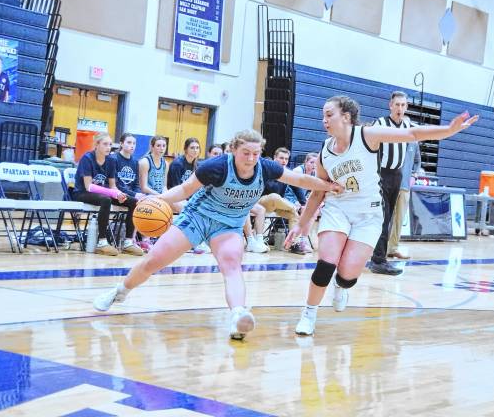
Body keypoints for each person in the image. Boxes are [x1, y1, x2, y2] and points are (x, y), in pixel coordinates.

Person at [92, 129, 343, 340]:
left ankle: (238, 316)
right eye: (246, 153)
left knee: (232, 265)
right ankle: (120, 291)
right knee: (154, 260)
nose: (251, 158)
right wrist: (156, 199)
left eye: (256, 154)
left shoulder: (265, 168)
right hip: (198, 218)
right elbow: (184, 190)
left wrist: (328, 186)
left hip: (230, 226)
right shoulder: (216, 167)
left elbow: (300, 180)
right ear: (234, 149)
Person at [286, 95, 477, 335]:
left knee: (348, 272)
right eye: (323, 115)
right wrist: (302, 224)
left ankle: (341, 285)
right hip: (338, 209)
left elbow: (412, 135)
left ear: (346, 117)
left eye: (329, 114)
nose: (324, 120)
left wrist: (448, 130)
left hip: (368, 213)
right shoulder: (325, 150)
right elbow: (318, 192)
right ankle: (309, 313)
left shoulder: (367, 135)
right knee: (326, 262)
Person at [72, 133, 143, 256]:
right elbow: (89, 186)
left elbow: (112, 185)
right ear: (97, 145)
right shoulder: (87, 158)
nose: (108, 147)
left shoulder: (110, 160)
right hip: (82, 193)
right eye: (105, 144)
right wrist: (112, 193)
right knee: (106, 200)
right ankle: (102, 242)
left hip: (102, 193)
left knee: (133, 201)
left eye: (110, 144)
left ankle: (127, 242)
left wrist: (119, 194)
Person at [370, 91, 415, 275]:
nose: (400, 108)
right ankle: (378, 260)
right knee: (383, 217)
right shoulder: (380, 123)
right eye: (397, 105)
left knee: (388, 218)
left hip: (397, 175)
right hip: (381, 174)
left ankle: (380, 257)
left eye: (403, 105)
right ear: (390, 105)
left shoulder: (407, 124)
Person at [258, 147, 311, 254]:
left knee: (293, 214)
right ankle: (291, 207)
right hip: (261, 203)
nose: (284, 161)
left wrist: (304, 204)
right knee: (274, 196)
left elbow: (297, 188)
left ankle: (294, 244)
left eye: (286, 159)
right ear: (274, 158)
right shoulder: (266, 169)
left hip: (277, 206)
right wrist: (293, 205)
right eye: (281, 158)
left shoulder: (286, 173)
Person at [388, 141, 421, 259]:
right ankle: (378, 249)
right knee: (384, 217)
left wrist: (414, 175)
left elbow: (418, 162)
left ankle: (392, 248)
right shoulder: (394, 138)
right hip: (389, 184)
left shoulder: (414, 143)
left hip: (405, 186)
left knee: (399, 219)